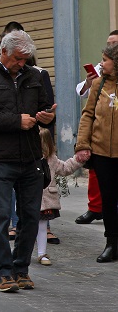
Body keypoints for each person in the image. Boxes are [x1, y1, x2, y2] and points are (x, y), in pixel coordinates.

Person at [0, 30, 56, 292]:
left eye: (26, 59)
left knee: (30, 216)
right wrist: (17, 121)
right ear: (4, 52)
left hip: (31, 158)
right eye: (18, 58)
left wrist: (47, 118)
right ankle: (3, 272)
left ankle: (21, 269)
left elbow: (46, 107)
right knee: (1, 217)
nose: (22, 63)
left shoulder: (35, 76)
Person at [74, 42, 118, 263]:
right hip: (101, 153)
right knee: (108, 200)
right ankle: (111, 243)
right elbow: (88, 116)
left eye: (106, 60)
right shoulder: (98, 85)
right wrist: (83, 144)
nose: (101, 63)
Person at [36, 127, 82, 266]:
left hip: (45, 199)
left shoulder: (52, 159)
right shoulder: (27, 158)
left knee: (42, 226)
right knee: (27, 227)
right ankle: (22, 253)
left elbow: (66, 168)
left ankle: (41, 253)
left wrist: (78, 159)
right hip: (30, 198)